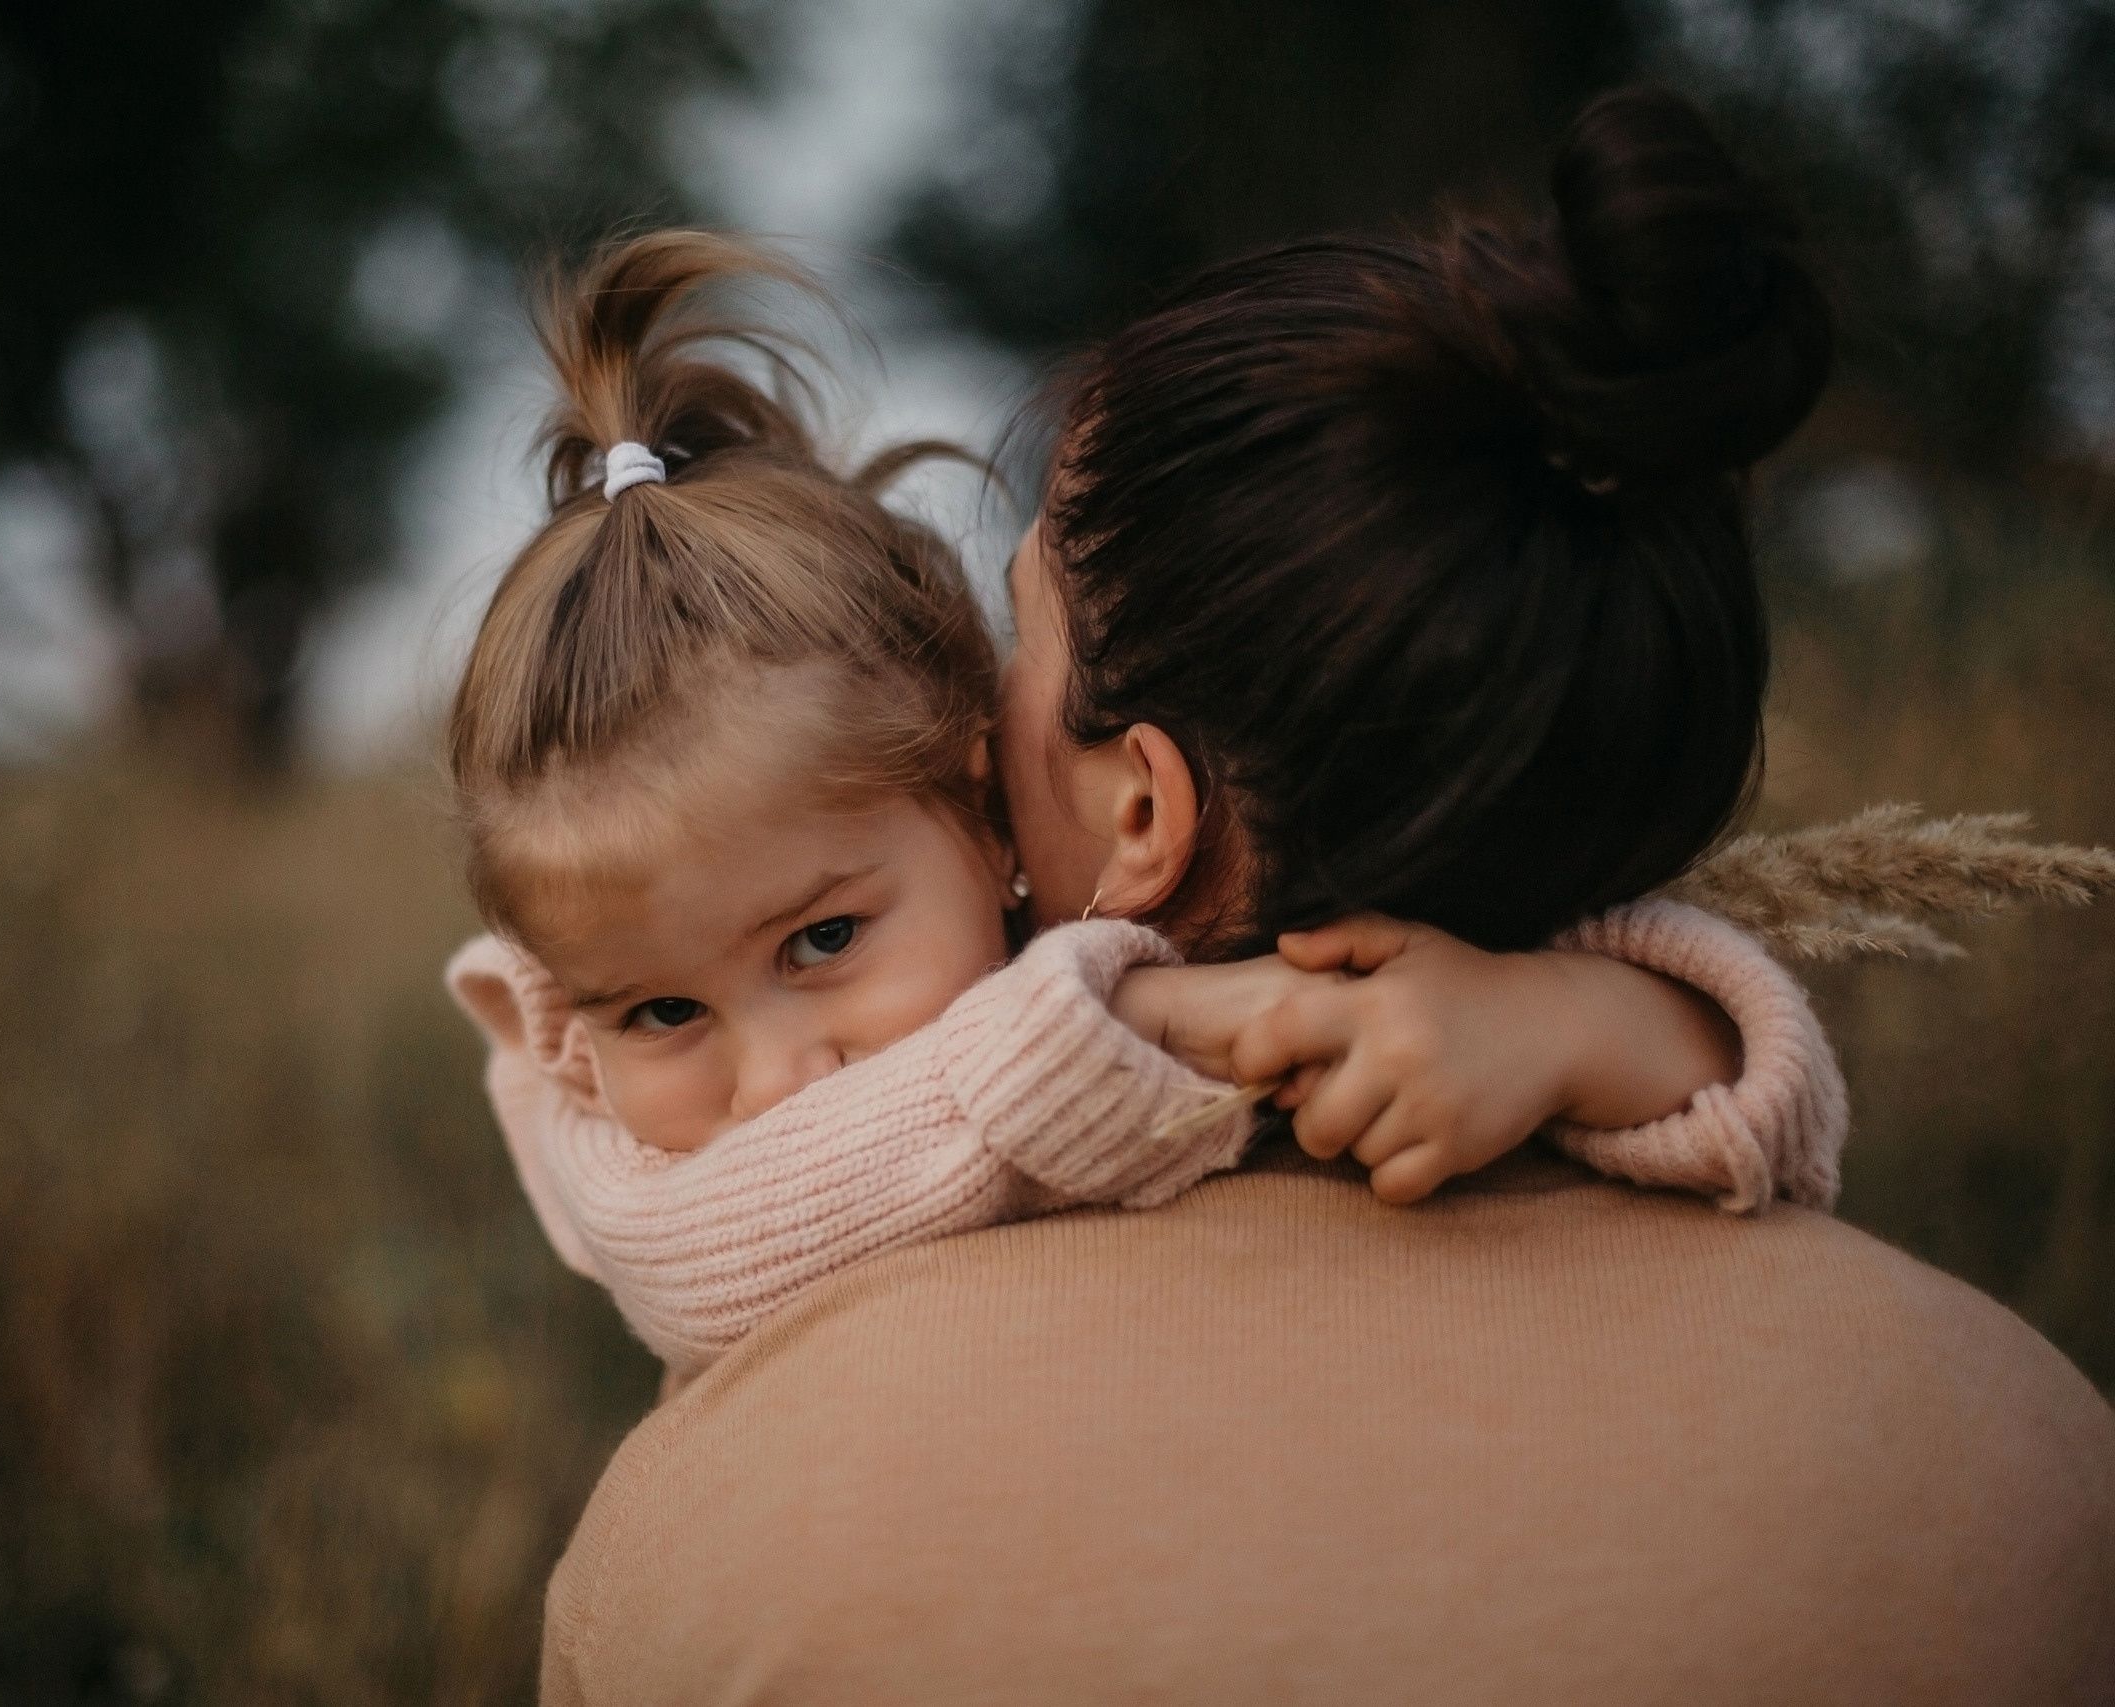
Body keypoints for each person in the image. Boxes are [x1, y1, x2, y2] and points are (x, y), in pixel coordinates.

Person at [535, 88, 2115, 1702]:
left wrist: (1561, 1016)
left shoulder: (715, 1526)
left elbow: (1735, 1045)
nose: (971, 724)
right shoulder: (2043, 1457)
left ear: (1143, 806)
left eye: (1021, 633)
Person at [441, 229, 1841, 1376]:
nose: (782, 1078)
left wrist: (1567, 1024)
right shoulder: (608, 1027)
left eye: (823, 944)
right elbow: (684, 1254)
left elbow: (1770, 1101)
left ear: (1101, 812)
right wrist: (1126, 1030)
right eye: (666, 1015)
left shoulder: (1392, 991)